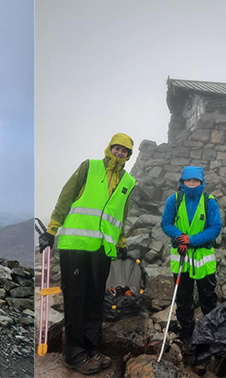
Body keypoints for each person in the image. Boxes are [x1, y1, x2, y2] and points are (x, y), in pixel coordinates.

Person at [43, 133, 136, 375]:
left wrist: (121, 243)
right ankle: (75, 354)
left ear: (129, 155)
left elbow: (120, 216)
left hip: (102, 250)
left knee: (95, 300)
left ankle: (92, 349)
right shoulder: (89, 167)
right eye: (116, 148)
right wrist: (51, 229)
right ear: (109, 148)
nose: (119, 153)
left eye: (124, 150)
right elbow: (66, 197)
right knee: (76, 299)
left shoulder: (128, 182)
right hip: (76, 245)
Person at [160, 166, 222, 357]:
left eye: (196, 181)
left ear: (202, 182)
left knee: (209, 299)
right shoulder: (175, 199)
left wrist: (191, 240)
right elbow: (166, 223)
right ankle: (187, 335)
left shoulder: (209, 201)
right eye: (189, 181)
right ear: (183, 182)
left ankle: (210, 335)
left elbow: (215, 227)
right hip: (182, 259)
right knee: (183, 299)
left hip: (203, 259)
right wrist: (180, 237)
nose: (192, 184)